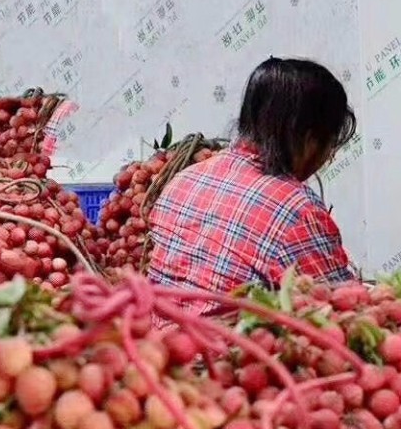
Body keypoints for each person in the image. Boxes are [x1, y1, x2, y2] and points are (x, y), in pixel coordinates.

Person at [146, 57, 358, 308]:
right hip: (230, 334)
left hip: (157, 331)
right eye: (330, 145)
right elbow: (341, 307)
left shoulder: (182, 181)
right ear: (310, 141)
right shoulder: (299, 211)